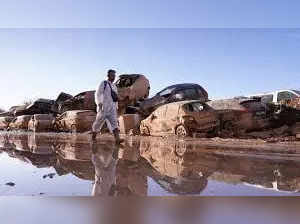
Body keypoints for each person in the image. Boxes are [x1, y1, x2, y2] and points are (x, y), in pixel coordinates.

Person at [91, 69, 124, 144]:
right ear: (108, 75)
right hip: (103, 108)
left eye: (114, 75)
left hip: (112, 109)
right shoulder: (104, 83)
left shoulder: (114, 86)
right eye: (112, 75)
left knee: (114, 123)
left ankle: (117, 140)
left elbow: (115, 98)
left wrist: (116, 108)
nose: (114, 77)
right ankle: (93, 137)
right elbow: (98, 94)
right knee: (98, 124)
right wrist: (99, 103)